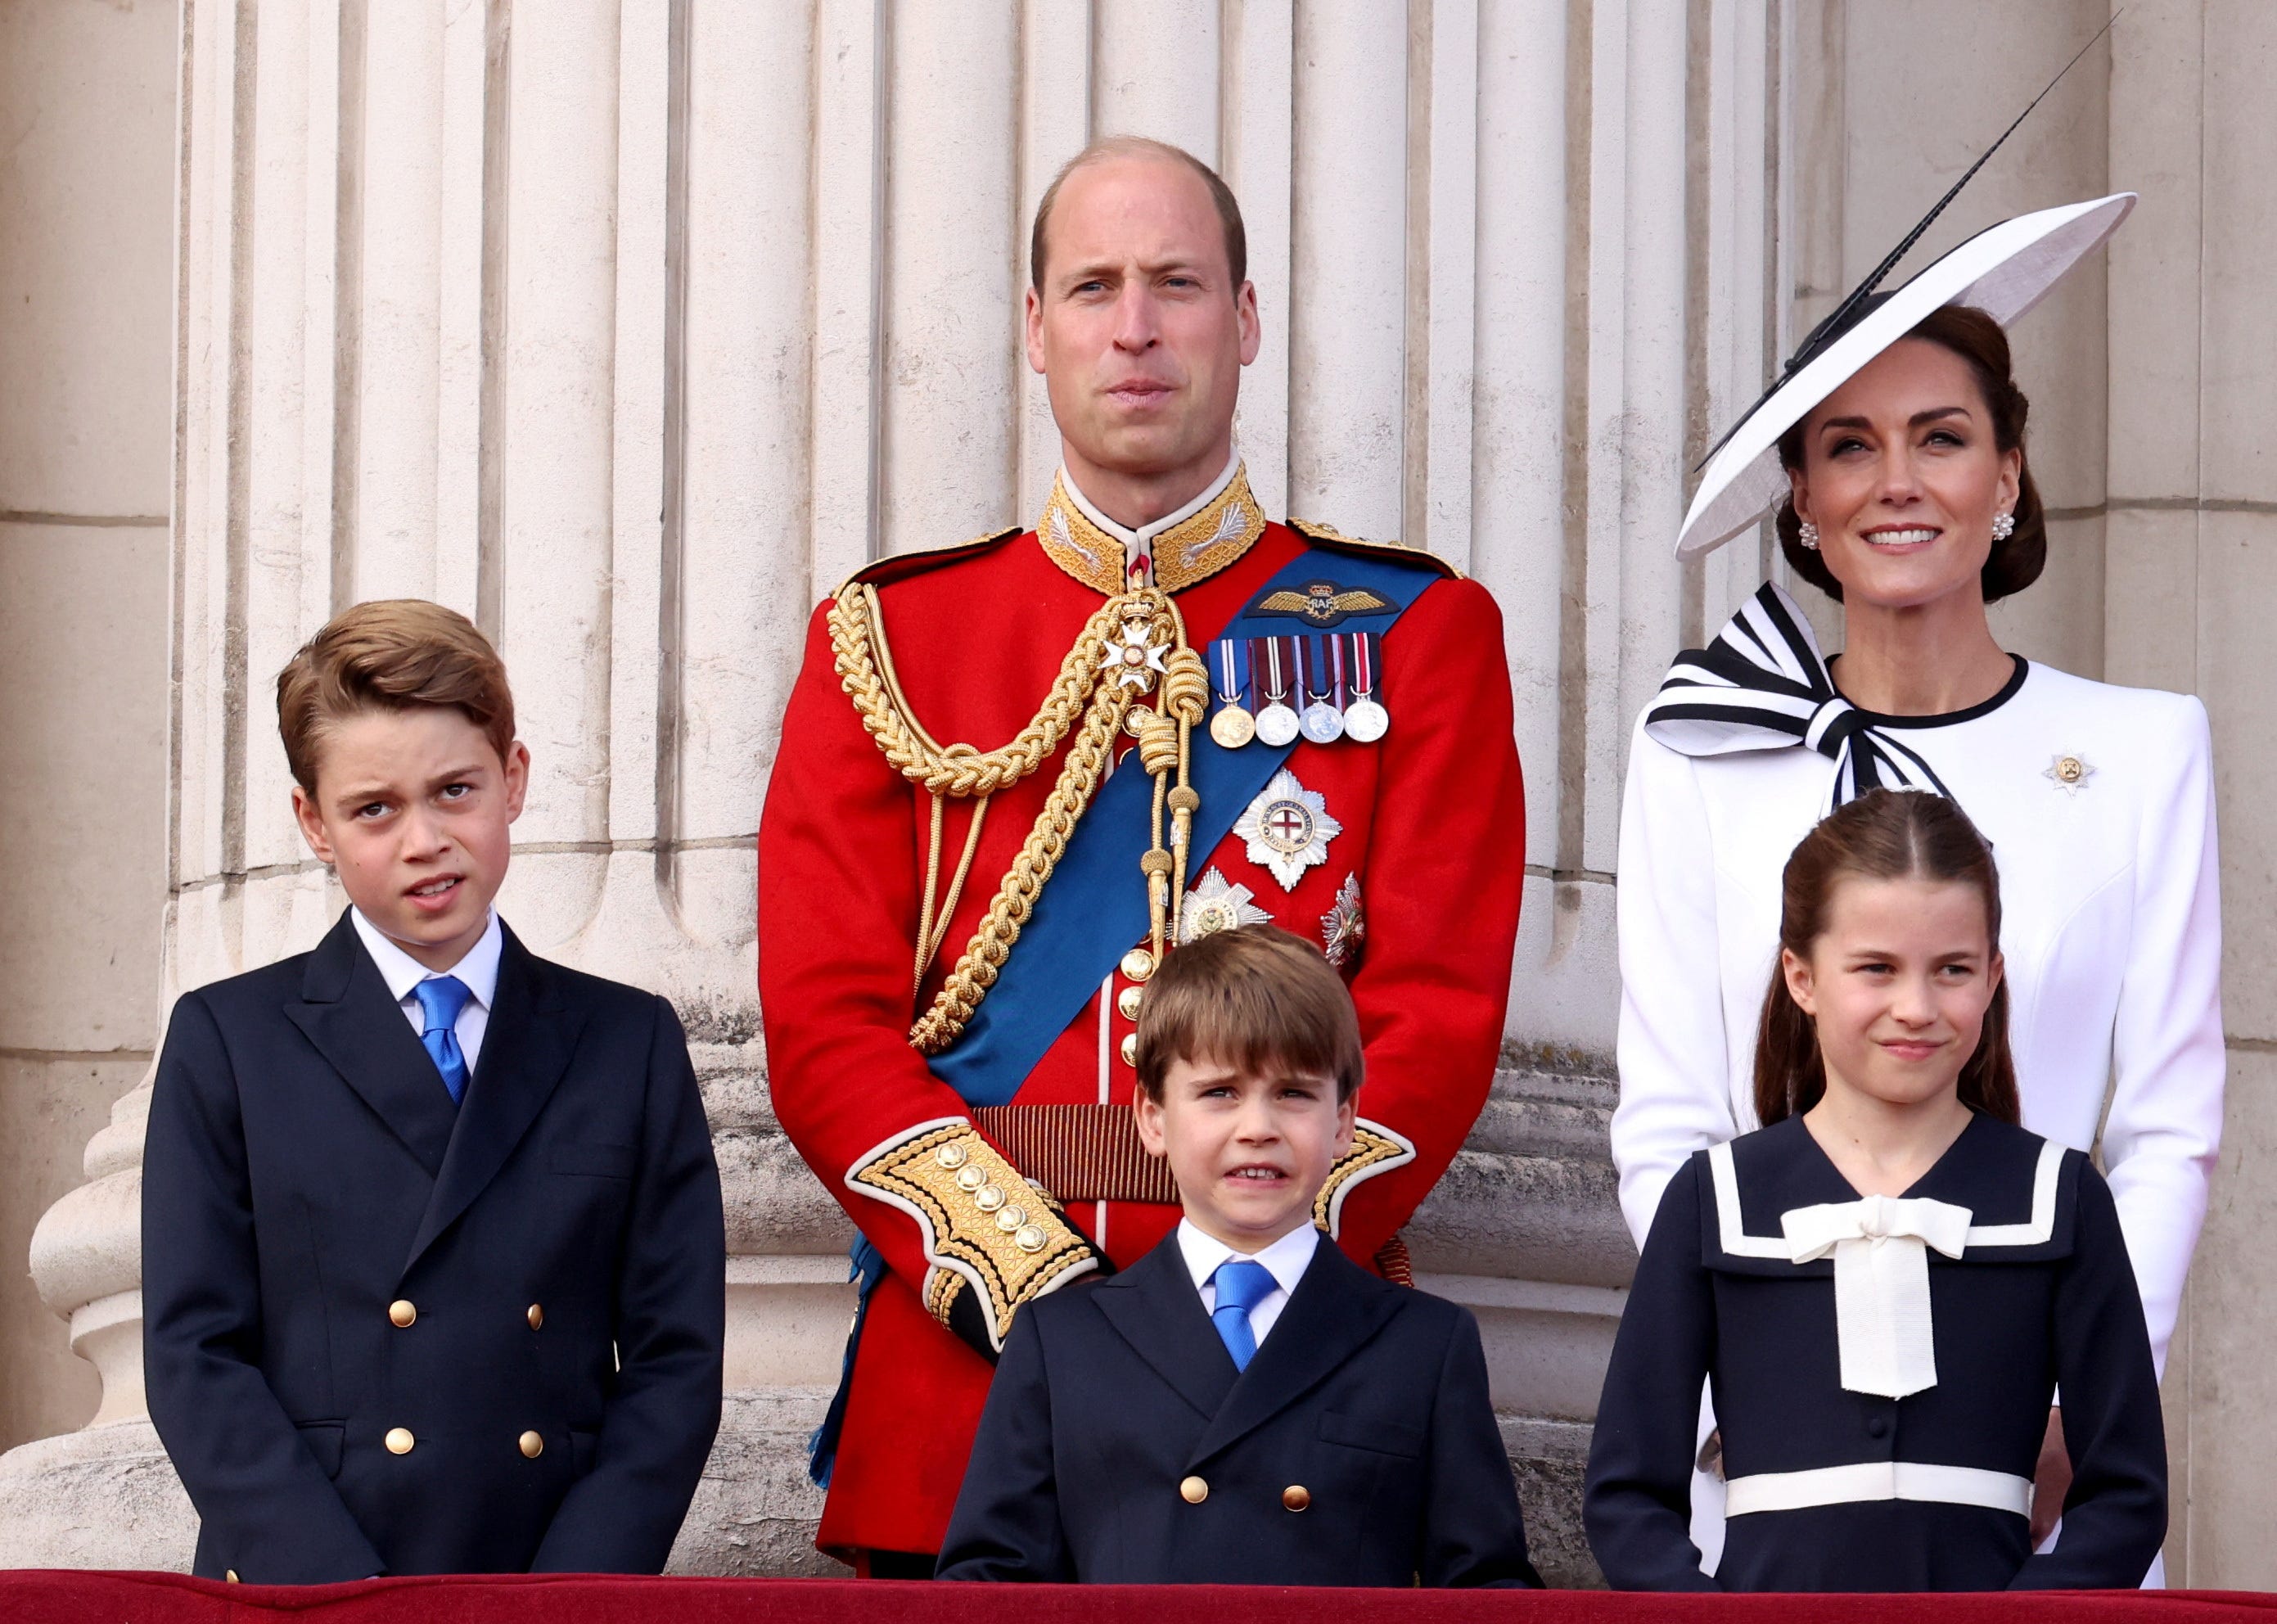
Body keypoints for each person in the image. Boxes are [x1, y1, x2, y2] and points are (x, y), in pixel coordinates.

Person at [758, 137, 1525, 1572]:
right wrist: (1036, 1283)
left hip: (1288, 1382)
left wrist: (1240, 1267)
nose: (1134, 326)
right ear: (1033, 329)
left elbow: (1436, 1013)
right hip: (968, 1382)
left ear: (1243, 320)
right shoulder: (889, 640)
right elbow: (822, 1027)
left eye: (1176, 284)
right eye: (1093, 286)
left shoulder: (1417, 633)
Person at [1613, 192, 2219, 1563]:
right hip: (1767, 1463)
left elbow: (2167, 1128)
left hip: (2041, 1459)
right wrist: (1749, 1363)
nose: (1896, 480)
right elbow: (1665, 1125)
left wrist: (2078, 1384)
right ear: (1803, 499)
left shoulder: (2139, 748)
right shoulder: (1700, 750)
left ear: (2006, 471)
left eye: (1939, 437)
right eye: (1848, 447)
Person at [142, 601, 725, 1581]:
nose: (424, 839)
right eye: (375, 807)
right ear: (313, 823)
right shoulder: (229, 1039)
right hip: (310, 1580)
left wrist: (574, 1594)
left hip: (546, 1574)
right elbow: (194, 1352)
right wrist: (332, 1590)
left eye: (455, 790)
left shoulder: (628, 1042)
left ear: (514, 781)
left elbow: (676, 1360)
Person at [1587, 790, 2166, 1591]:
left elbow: (2126, 1494)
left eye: (1952, 970)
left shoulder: (2059, 1197)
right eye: (1875, 969)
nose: (1916, 1008)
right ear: (1802, 976)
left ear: (1993, 974)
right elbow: (1626, 1496)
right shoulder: (1712, 1197)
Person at [936, 926, 1541, 1586]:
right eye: (1220, 1092)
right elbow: (990, 1586)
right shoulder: (1061, 1341)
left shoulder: (1425, 1344)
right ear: (1153, 1118)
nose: (1258, 1128)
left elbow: (1487, 1589)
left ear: (1344, 1122)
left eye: (1294, 1093)